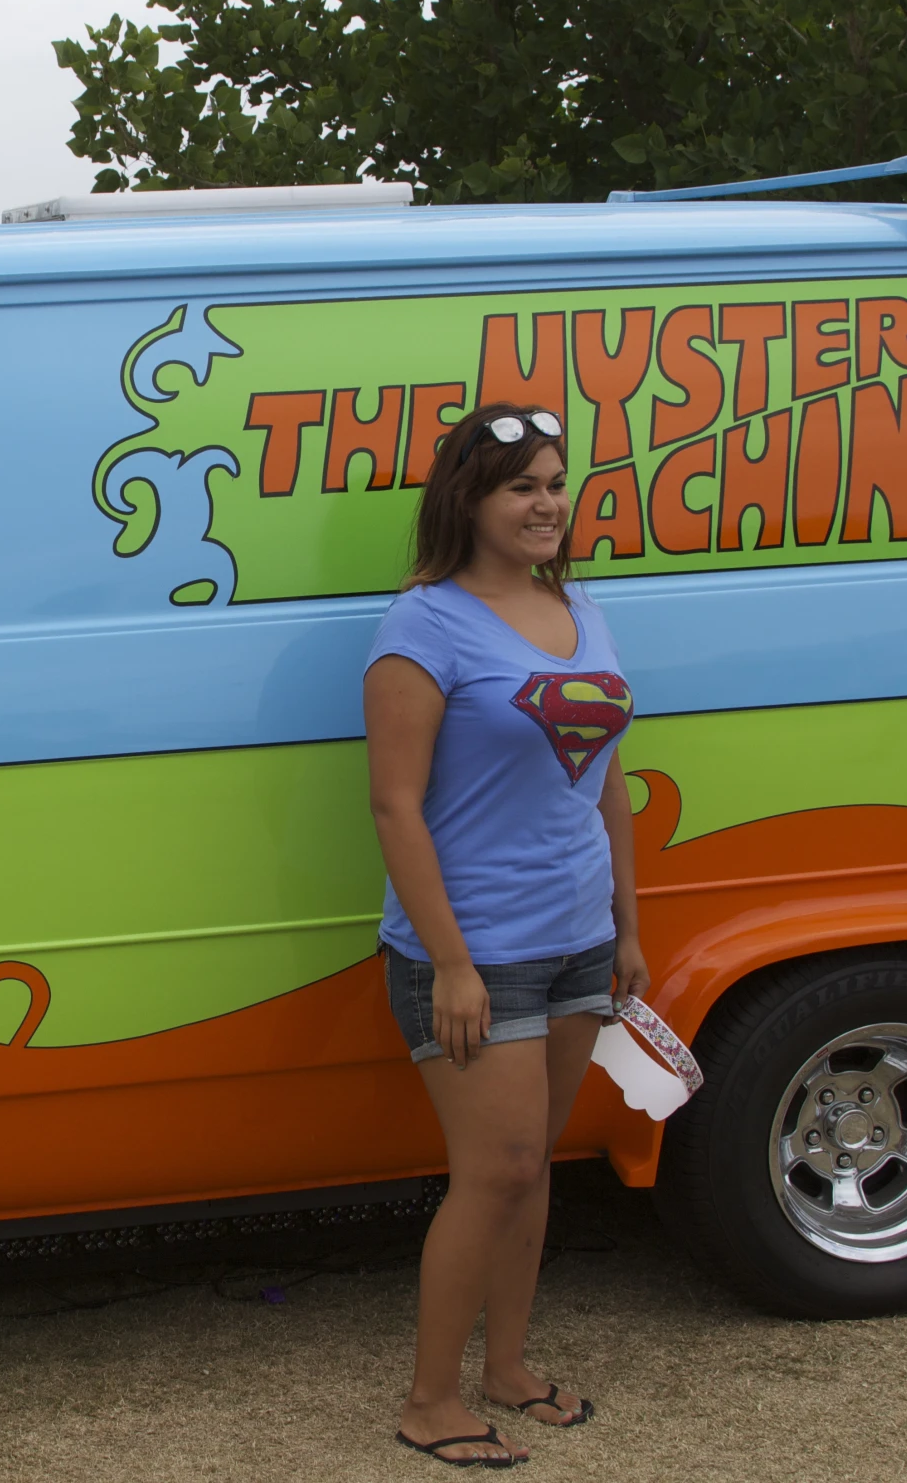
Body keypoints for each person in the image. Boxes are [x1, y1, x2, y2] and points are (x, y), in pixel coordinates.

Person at [363, 404, 646, 1468]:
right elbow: (394, 806)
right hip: (472, 948)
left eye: (556, 482)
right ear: (469, 500)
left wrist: (626, 925)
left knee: (534, 1170)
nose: (546, 503)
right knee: (497, 1166)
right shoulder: (422, 626)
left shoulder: (577, 608)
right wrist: (451, 963)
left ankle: (508, 1370)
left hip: (576, 935)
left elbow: (606, 778)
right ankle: (431, 1400)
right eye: (521, 485)